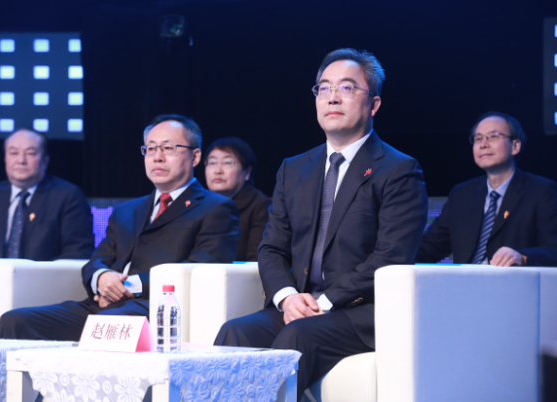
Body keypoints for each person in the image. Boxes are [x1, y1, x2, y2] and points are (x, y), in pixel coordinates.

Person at [214, 49, 428, 400]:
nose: (332, 97)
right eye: (324, 88)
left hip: (360, 312)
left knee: (297, 336)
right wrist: (286, 298)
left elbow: (391, 257)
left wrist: (324, 302)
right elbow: (272, 249)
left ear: (373, 104)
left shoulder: (399, 170)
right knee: (235, 332)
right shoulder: (294, 168)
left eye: (346, 87)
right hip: (300, 305)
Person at [0, 115, 240, 341]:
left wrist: (124, 287)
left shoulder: (216, 208)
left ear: (195, 157)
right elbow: (96, 260)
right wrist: (102, 279)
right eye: (151, 148)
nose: (157, 157)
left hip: (157, 307)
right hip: (104, 305)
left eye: (168, 148)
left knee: (107, 323)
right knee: (16, 321)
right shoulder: (126, 210)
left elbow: (199, 271)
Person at [416, 112, 557, 266]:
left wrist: (522, 257)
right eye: (478, 138)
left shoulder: (541, 191)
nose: (483, 144)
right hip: (464, 279)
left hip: (510, 279)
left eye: (493, 136)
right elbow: (430, 247)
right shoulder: (461, 194)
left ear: (515, 146)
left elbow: (553, 249)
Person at [0, 129, 94, 261]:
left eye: (30, 153)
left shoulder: (67, 196)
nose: (21, 160)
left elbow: (78, 252)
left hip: (44, 277)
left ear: (45, 160)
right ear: (5, 158)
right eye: (14, 153)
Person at [204, 137, 271, 261]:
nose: (217, 170)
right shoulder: (198, 203)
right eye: (212, 163)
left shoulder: (261, 206)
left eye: (228, 163)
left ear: (247, 172)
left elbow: (257, 261)